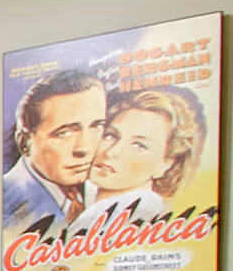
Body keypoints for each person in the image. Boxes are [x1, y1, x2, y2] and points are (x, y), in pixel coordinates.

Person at [71, 87, 206, 231]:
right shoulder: (88, 205)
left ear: (166, 164)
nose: (111, 152)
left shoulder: (131, 214)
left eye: (139, 146)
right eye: (110, 135)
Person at [2, 70, 106, 234]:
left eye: (97, 126)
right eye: (64, 133)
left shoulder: (110, 188)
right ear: (24, 144)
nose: (84, 148)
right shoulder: (4, 206)